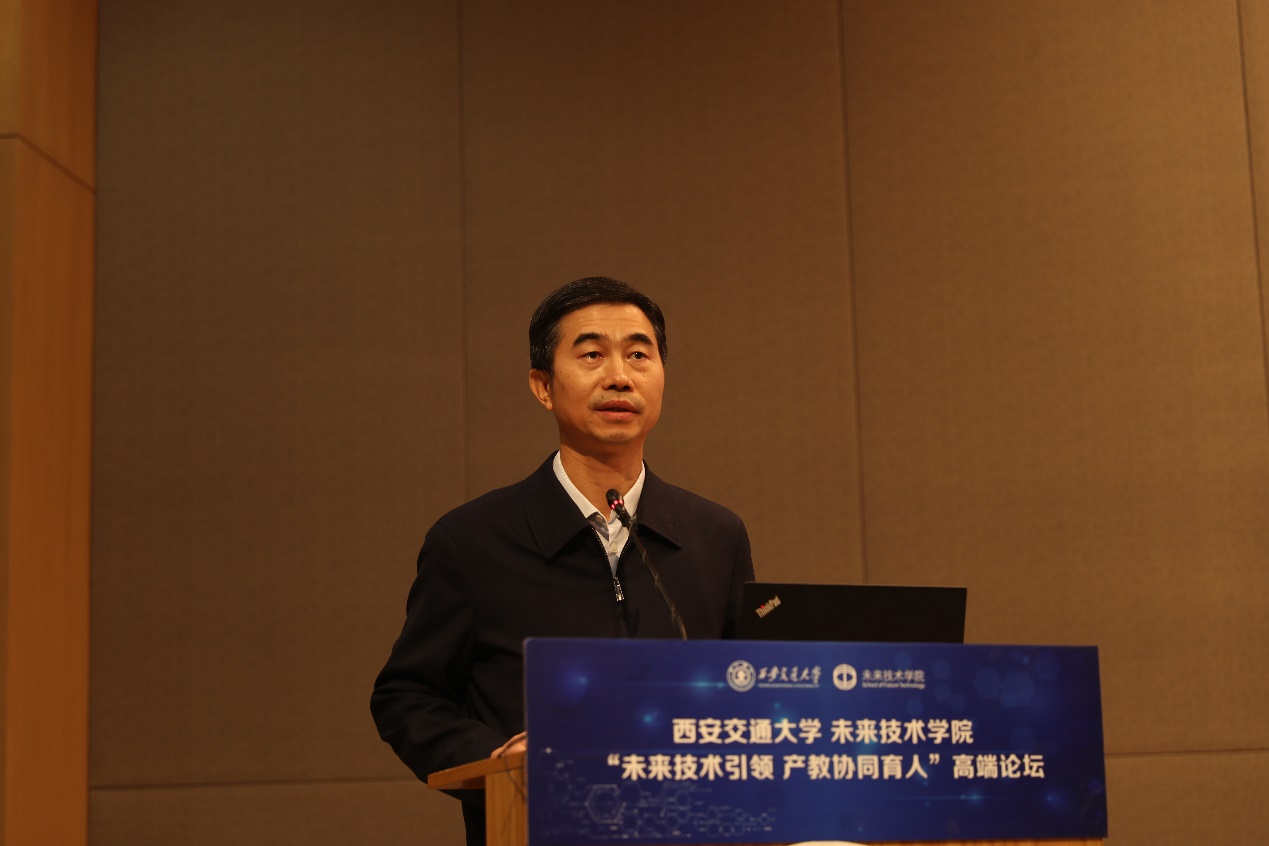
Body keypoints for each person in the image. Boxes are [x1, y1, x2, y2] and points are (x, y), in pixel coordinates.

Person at [370, 277, 755, 845]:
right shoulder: (472, 541)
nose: (620, 376)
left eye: (639, 355)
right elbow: (407, 696)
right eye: (592, 355)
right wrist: (497, 760)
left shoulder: (715, 537)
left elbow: (749, 691)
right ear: (543, 386)